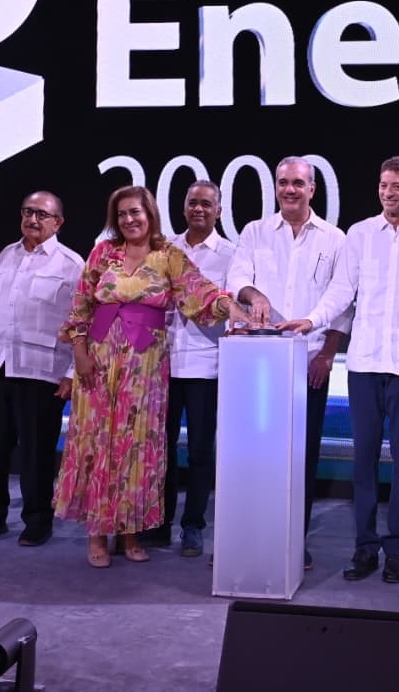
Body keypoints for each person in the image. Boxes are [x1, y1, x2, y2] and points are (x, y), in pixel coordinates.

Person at [53, 185, 251, 568]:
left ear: (150, 215)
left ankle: (130, 533)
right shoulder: (102, 253)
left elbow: (201, 292)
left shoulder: (168, 255)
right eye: (122, 214)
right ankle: (97, 534)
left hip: (145, 368)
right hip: (99, 362)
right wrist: (79, 354)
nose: (129, 219)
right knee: (99, 444)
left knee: (137, 446)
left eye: (136, 212)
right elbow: (80, 305)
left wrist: (233, 308)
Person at [282, 155, 399, 585]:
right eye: (383, 185)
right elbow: (342, 291)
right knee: (363, 461)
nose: (388, 193)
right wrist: (312, 320)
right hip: (363, 364)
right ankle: (365, 547)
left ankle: (397, 549)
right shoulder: (359, 234)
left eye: (397, 186)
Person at [225, 156, 352, 571]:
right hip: (258, 363)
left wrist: (328, 354)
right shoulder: (255, 232)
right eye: (283, 182)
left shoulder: (335, 239)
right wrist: (254, 295)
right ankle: (247, 538)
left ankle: (294, 539)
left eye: (298, 183)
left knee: (301, 457)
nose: (290, 189)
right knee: (253, 456)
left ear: (313, 189)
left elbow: (342, 300)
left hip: (309, 362)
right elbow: (237, 278)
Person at [0, 191, 83, 548]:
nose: (32, 219)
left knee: (36, 453)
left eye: (42, 215)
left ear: (58, 222)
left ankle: (37, 519)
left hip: (42, 371)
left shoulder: (71, 264)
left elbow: (83, 323)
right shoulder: (6, 254)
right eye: (28, 212)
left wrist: (72, 373)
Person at [147, 180, 237, 557]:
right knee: (160, 448)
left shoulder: (231, 255)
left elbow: (231, 308)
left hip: (207, 365)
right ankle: (159, 522)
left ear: (219, 211)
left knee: (201, 450)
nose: (198, 209)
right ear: (183, 207)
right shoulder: (163, 249)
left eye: (206, 204)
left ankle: (193, 526)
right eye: (192, 202)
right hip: (162, 363)